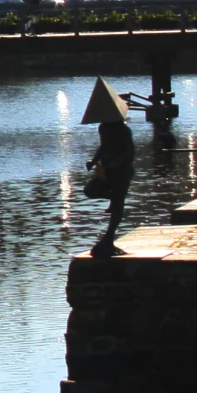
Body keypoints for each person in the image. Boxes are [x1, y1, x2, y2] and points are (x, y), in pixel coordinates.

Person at [81, 77, 135, 259]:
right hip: (106, 171)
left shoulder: (123, 130)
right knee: (89, 190)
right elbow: (103, 146)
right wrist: (94, 160)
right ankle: (111, 197)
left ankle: (109, 237)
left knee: (118, 207)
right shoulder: (104, 128)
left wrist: (116, 164)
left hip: (121, 172)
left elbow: (129, 151)